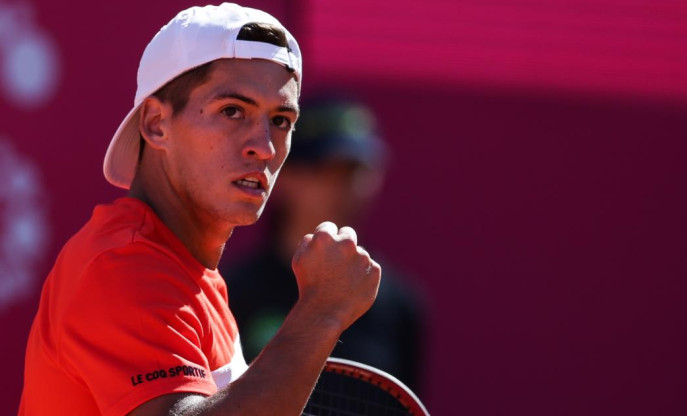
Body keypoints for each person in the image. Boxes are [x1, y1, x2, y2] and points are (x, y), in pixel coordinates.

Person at [18, 3, 380, 416]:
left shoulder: (191, 272)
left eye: (280, 120)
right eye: (232, 111)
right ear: (156, 124)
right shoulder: (123, 264)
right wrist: (322, 311)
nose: (262, 146)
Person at [224, 96, 427, 391]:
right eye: (326, 169)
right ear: (284, 174)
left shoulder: (400, 306)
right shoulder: (229, 294)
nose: (347, 188)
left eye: (357, 171)